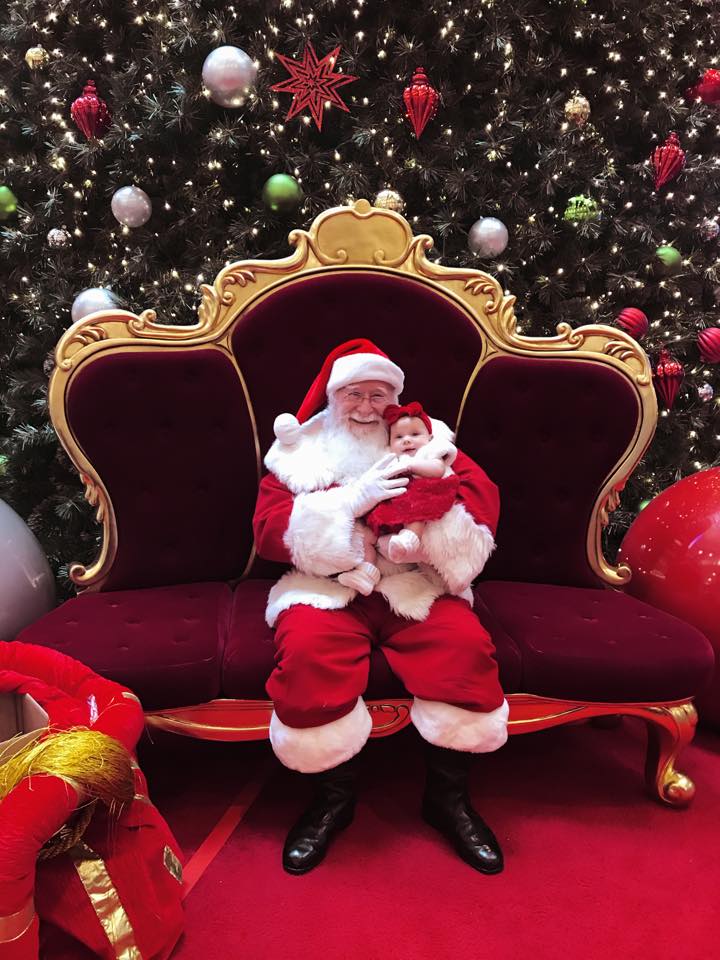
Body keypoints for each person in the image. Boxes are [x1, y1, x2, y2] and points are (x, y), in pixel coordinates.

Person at [253, 338, 508, 876]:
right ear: (334, 397)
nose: (366, 408)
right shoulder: (301, 451)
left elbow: (480, 505)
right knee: (307, 654)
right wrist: (348, 503)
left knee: (464, 647)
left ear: (395, 400)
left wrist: (425, 528)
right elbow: (269, 530)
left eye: (378, 395)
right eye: (354, 395)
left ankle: (448, 800)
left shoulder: (430, 442)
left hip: (415, 583)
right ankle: (332, 801)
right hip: (329, 587)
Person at [333, 400, 460, 593]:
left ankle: (409, 539)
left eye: (415, 434)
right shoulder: (389, 458)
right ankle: (366, 572)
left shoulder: (430, 453)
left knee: (416, 512)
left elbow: (438, 470)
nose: (407, 440)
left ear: (430, 438)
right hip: (390, 507)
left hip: (417, 501)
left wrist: (411, 465)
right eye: (399, 437)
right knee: (365, 534)